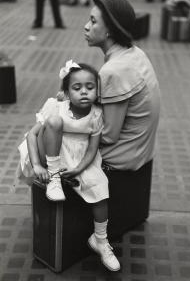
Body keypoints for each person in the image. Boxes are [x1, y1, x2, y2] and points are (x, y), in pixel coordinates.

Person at [17, 60, 120, 272]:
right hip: (51, 150)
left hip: (78, 156)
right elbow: (33, 135)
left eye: (90, 87)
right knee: (54, 122)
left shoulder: (97, 114)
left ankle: (100, 239)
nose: (84, 92)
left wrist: (80, 168)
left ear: (97, 91)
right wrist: (37, 165)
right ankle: (54, 177)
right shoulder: (56, 106)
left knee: (101, 186)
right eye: (77, 87)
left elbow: (92, 149)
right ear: (66, 91)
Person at [84, 0, 160, 177]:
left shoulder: (113, 71)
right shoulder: (135, 53)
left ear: (110, 30)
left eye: (93, 21)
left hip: (124, 156)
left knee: (48, 143)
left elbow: (109, 135)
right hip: (141, 148)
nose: (86, 26)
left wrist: (69, 128)